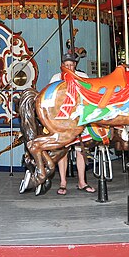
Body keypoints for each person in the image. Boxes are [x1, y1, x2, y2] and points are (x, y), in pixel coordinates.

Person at [50, 51, 94, 194]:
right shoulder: (56, 78)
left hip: (79, 117)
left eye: (71, 64)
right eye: (66, 65)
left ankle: (82, 181)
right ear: (62, 65)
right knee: (63, 151)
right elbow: (52, 98)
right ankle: (63, 182)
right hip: (64, 118)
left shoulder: (83, 76)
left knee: (81, 150)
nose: (69, 67)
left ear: (75, 64)